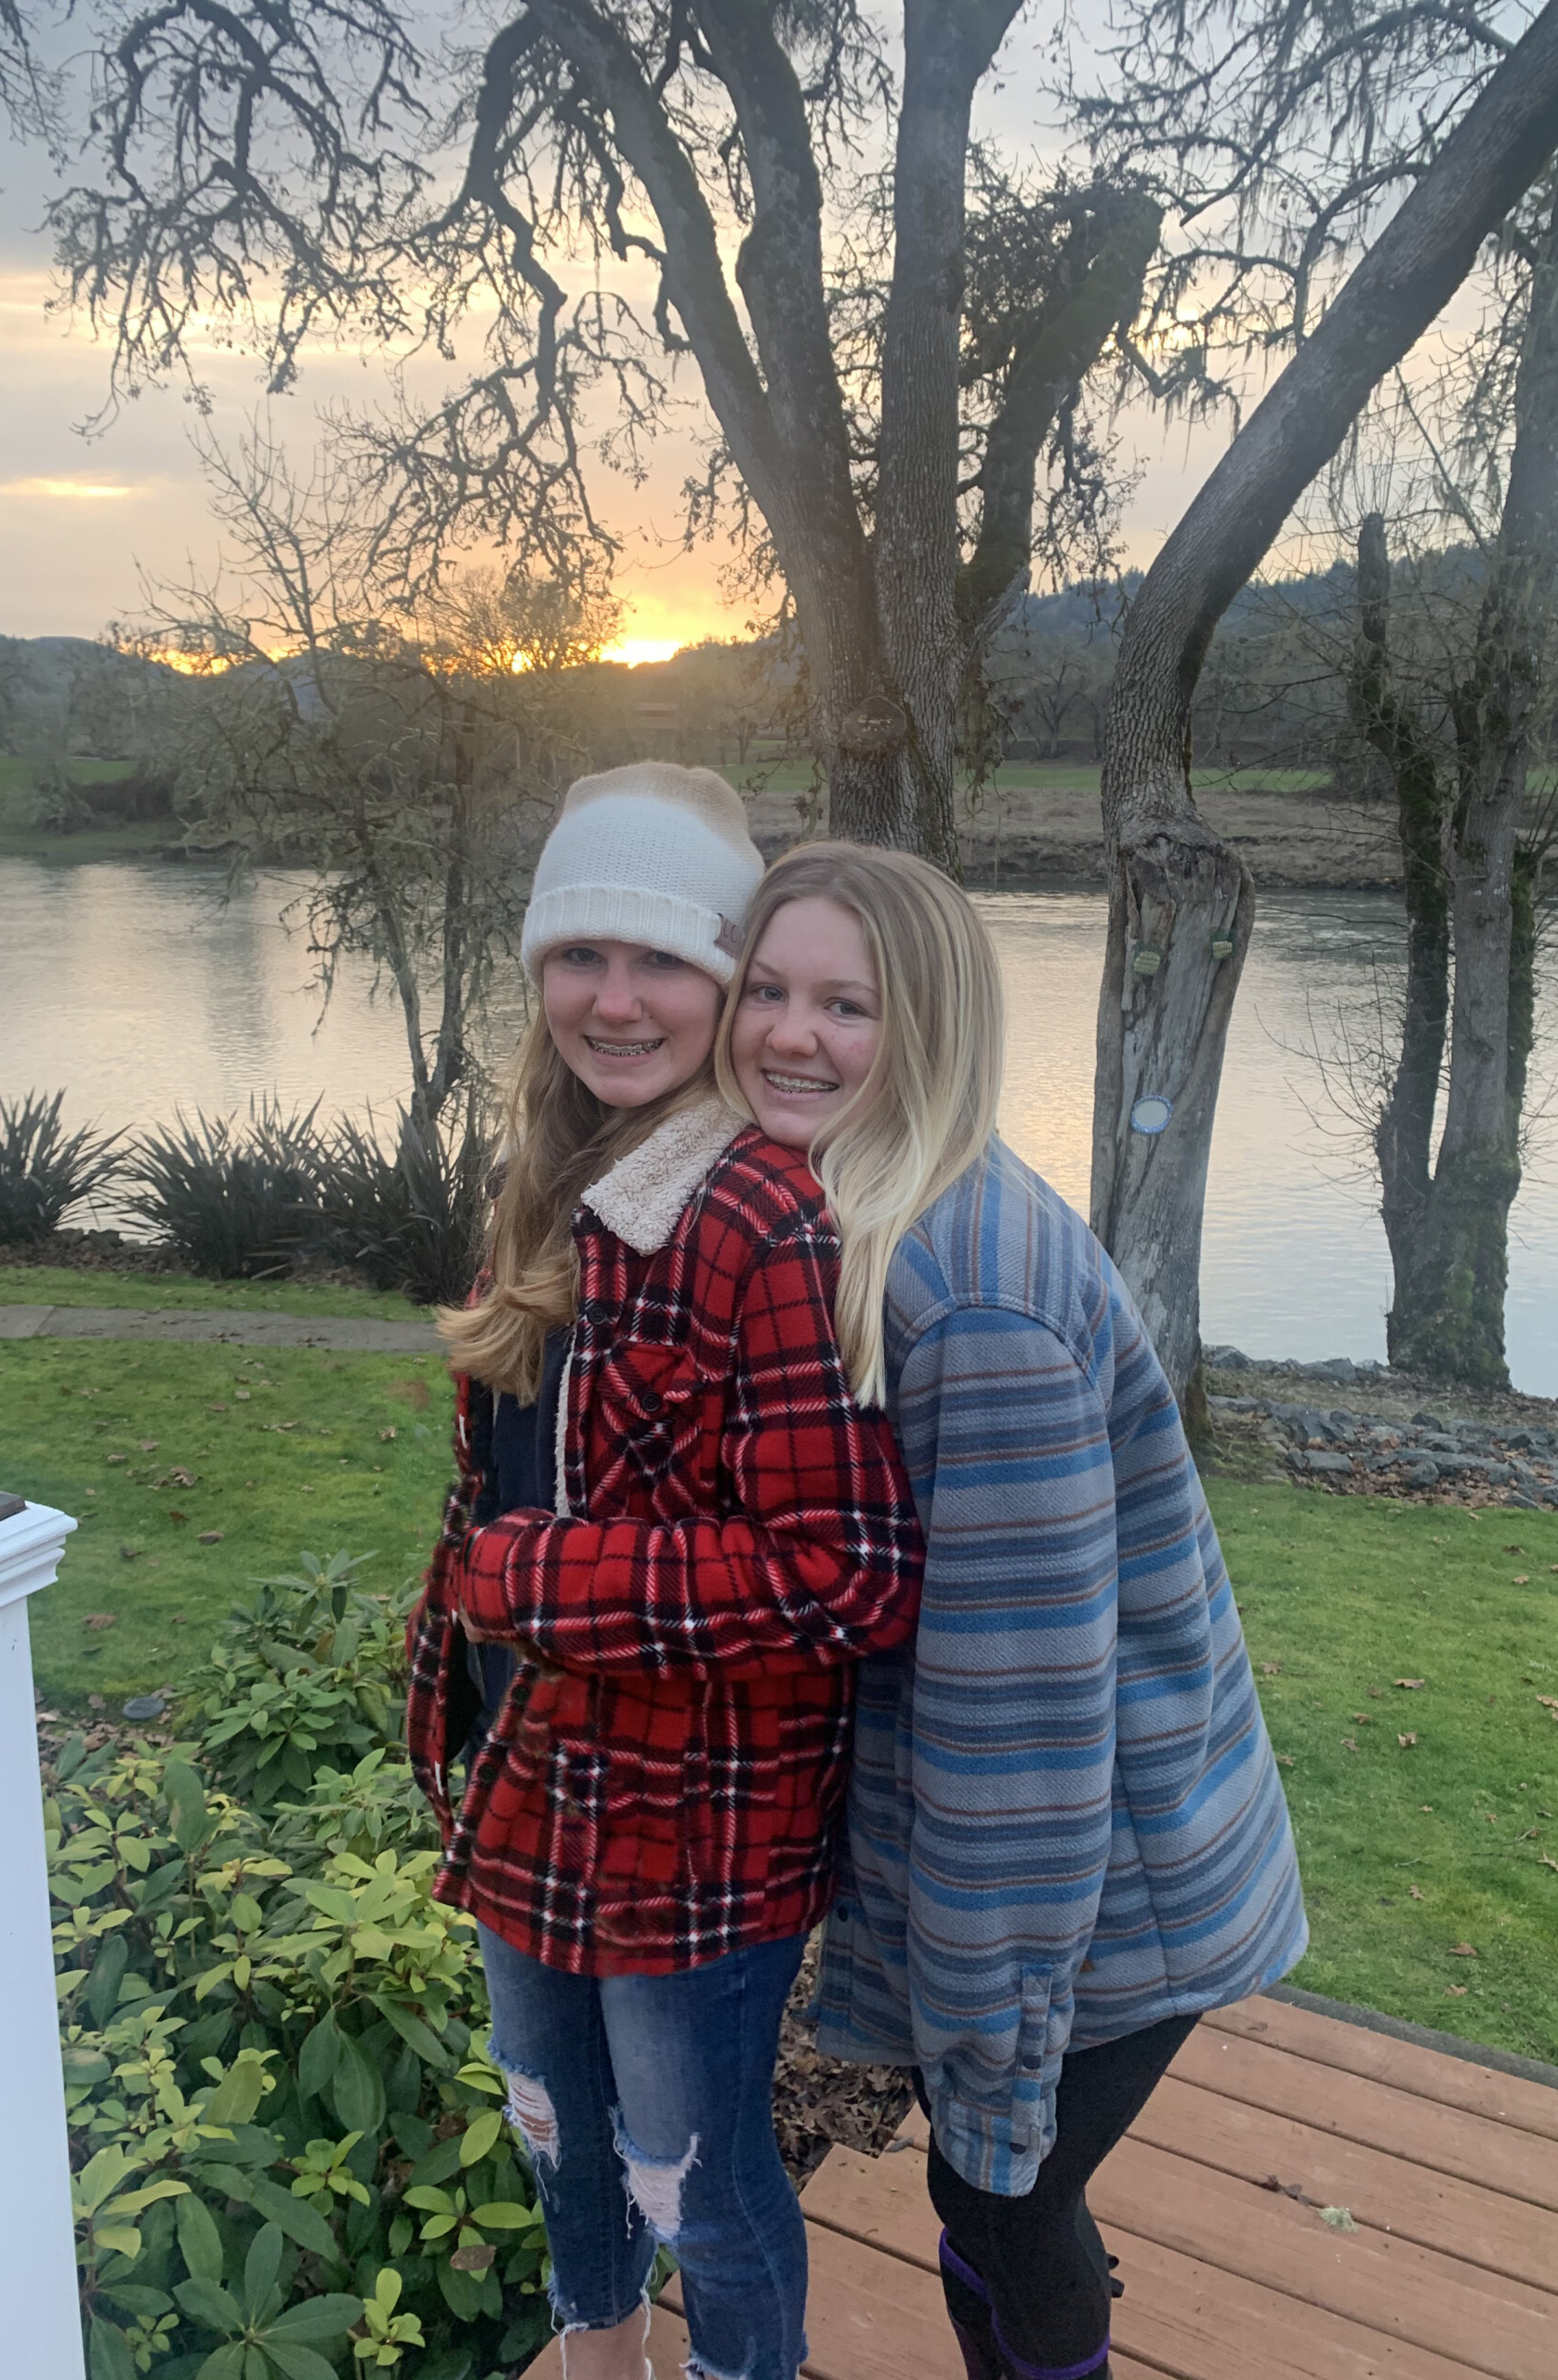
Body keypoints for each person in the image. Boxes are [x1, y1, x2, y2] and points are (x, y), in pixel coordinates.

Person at [718, 841, 1307, 2380]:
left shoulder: (968, 1298)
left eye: (848, 1003)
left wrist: (985, 2035)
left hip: (1107, 1879)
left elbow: (1023, 1724)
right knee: (997, 2200)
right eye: (767, 989)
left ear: (932, 1029)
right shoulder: (844, 1204)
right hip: (1073, 1857)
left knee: (1005, 2191)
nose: (791, 1033)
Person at [403, 770, 923, 2380]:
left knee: (689, 2177)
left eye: (664, 966)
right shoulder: (553, 1188)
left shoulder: (759, 1218)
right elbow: (496, 1490)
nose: (614, 1003)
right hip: (531, 1794)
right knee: (556, 2128)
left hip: (694, 1831)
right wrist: (458, 1657)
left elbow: (842, 1577)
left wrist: (534, 1584)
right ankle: (596, 2352)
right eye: (580, 957)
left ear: (722, 979)